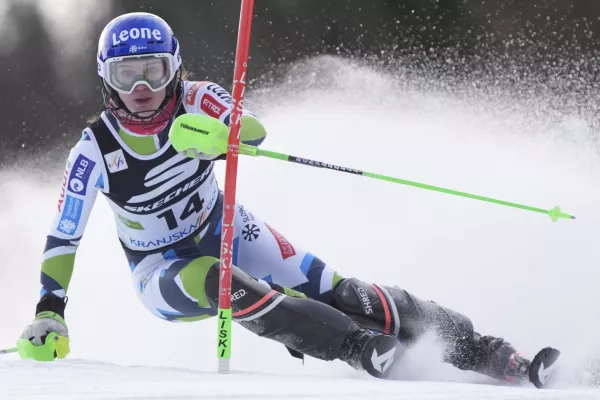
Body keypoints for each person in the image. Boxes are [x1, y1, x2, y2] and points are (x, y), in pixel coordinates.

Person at [21, 12, 536, 383]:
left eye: (152, 70)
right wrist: (50, 310)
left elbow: (251, 129)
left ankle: (487, 351)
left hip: (225, 226)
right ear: (105, 80)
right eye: (124, 74)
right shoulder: (92, 152)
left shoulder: (196, 98)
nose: (141, 87)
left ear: (173, 68)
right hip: (159, 268)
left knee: (347, 295)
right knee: (219, 281)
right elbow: (64, 237)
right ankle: (356, 349)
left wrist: (228, 135)